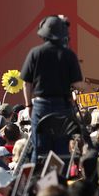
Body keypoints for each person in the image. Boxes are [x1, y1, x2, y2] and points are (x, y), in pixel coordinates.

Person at [20, 14, 86, 164]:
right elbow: (77, 84)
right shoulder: (69, 55)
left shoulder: (35, 53)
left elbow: (26, 83)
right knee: (61, 150)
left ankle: (40, 183)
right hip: (62, 108)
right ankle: (59, 181)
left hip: (41, 106)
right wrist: (90, 89)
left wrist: (28, 105)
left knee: (39, 149)